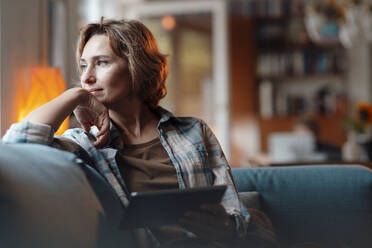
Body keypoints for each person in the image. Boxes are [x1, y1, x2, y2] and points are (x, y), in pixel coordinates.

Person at [2, 18, 278, 247]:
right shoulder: (82, 144)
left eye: (102, 63)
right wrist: (75, 96)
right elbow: (16, 146)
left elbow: (236, 215)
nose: (87, 77)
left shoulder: (194, 131)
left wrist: (226, 228)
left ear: (136, 67)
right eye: (84, 65)